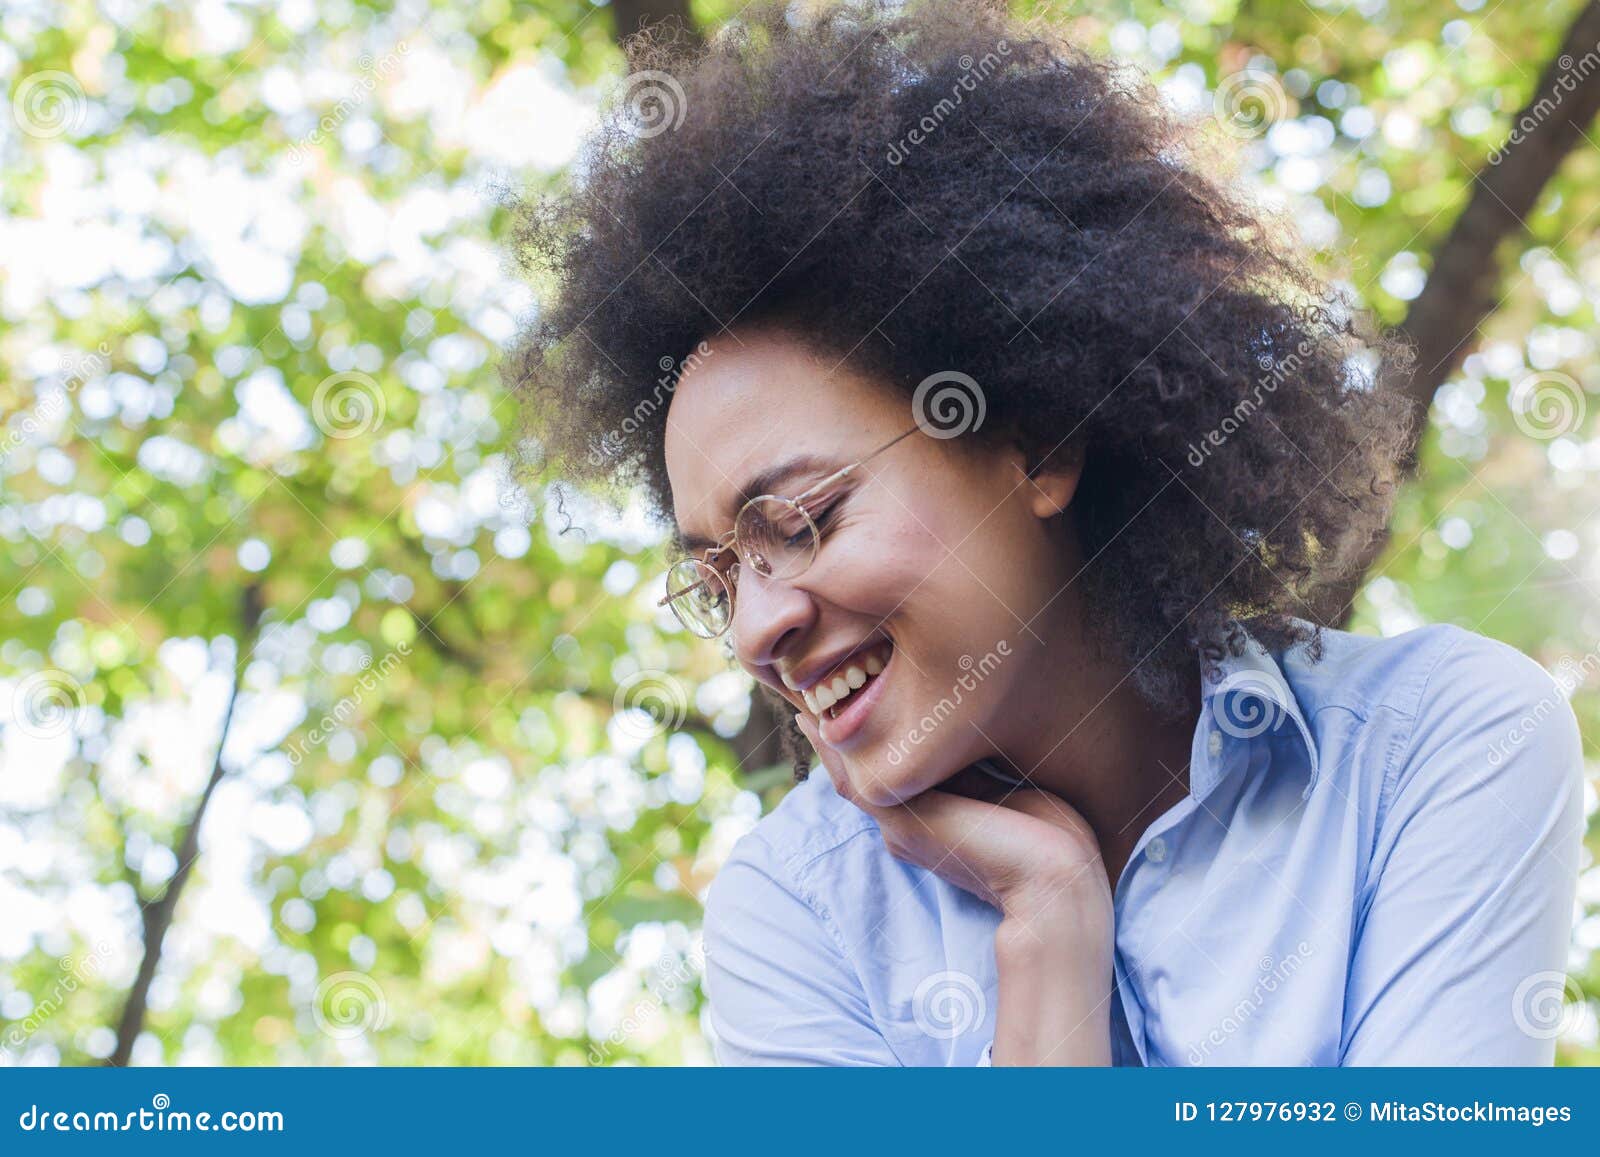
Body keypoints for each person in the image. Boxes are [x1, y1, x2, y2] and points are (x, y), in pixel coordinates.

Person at [508, 1, 1585, 1065]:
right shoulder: (799, 915)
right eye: (718, 578)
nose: (755, 627)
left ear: (1037, 443)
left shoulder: (1436, 747)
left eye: (798, 520)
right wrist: (1049, 932)